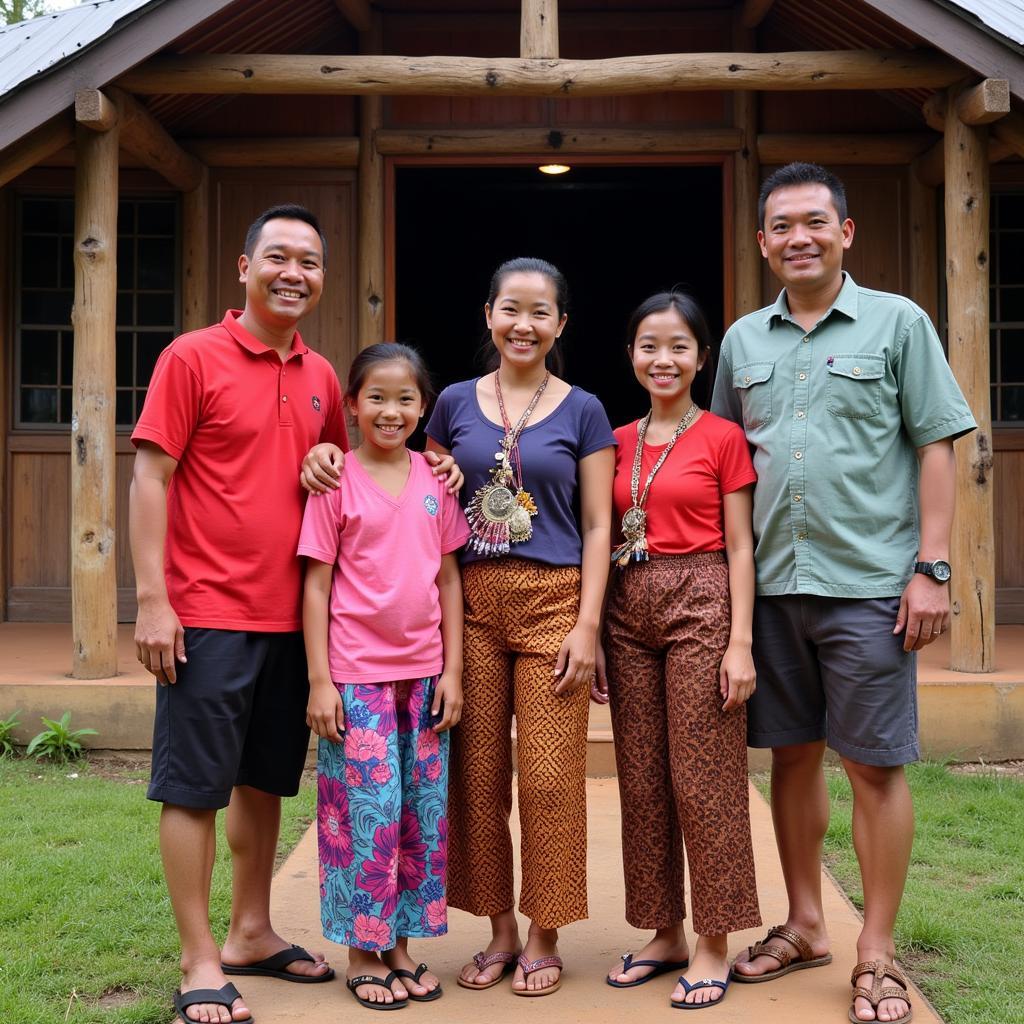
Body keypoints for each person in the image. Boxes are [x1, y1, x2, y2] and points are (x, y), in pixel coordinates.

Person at [129, 204, 458, 1024]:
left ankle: (251, 930)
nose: (294, 273)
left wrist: (433, 463)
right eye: (277, 257)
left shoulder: (319, 377)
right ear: (244, 268)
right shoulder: (191, 357)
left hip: (298, 618)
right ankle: (200, 958)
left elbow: (358, 468)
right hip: (207, 609)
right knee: (194, 785)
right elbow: (151, 477)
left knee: (263, 779)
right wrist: (152, 600)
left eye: (309, 262)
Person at [711, 163, 976, 1024]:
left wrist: (931, 567)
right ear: (762, 242)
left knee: (872, 765)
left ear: (846, 232)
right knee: (788, 755)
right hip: (773, 584)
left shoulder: (900, 323)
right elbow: (719, 461)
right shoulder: (742, 341)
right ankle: (806, 923)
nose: (799, 237)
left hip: (868, 584)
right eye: (782, 225)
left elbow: (938, 442)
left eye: (815, 222)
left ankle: (878, 951)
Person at [424, 257, 615, 996]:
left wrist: (589, 625)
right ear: (488, 315)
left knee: (548, 778)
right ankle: (499, 929)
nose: (523, 324)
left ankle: (546, 929)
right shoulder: (449, 404)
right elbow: (427, 503)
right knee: (475, 779)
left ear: (561, 323)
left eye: (540, 312)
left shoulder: (584, 409)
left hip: (554, 601)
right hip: (471, 601)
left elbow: (599, 525)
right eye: (511, 309)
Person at [599, 291, 761, 1009]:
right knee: (642, 776)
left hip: (701, 596)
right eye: (647, 346)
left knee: (704, 775)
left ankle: (714, 939)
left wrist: (741, 642)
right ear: (631, 355)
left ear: (702, 357)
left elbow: (741, 544)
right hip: (628, 606)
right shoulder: (616, 437)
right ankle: (663, 931)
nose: (662, 360)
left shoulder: (723, 435)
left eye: (678, 347)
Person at [299, 343, 468, 1010]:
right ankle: (363, 951)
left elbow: (450, 579)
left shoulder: (435, 480)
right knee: (367, 816)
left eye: (405, 399)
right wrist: (319, 680)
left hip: (424, 678)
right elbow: (315, 587)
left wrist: (452, 669)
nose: (390, 410)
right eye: (376, 397)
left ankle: (402, 943)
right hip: (357, 679)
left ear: (424, 408)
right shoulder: (333, 483)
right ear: (351, 405)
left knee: (419, 817)